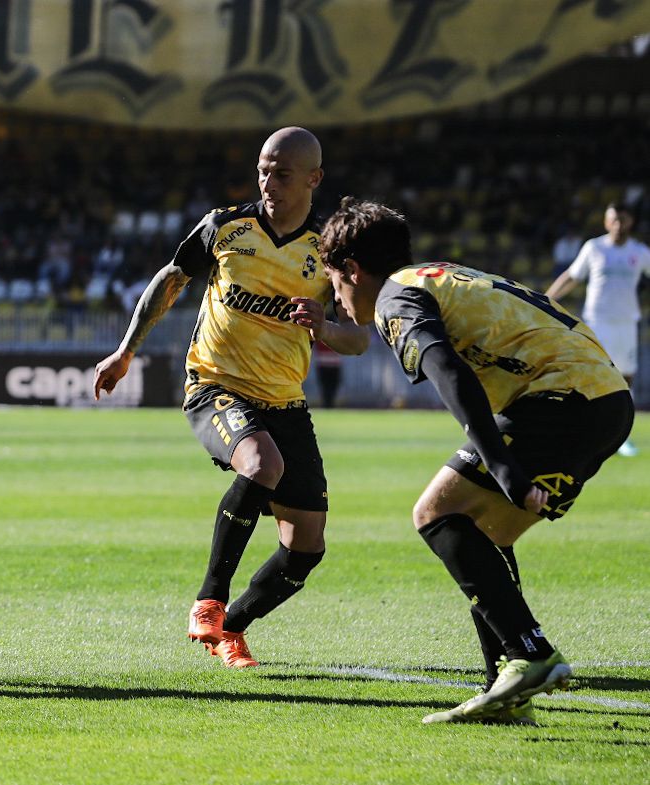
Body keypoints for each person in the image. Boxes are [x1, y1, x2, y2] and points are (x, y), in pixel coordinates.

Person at [317, 197, 633, 725]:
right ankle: (506, 689)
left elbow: (448, 371)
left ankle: (530, 652)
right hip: (606, 401)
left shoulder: (396, 296)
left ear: (351, 269)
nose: (338, 301)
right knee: (486, 536)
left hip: (561, 399)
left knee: (434, 512)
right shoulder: (439, 276)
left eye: (334, 284)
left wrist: (504, 467)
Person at [93, 128, 369, 668]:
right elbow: (170, 280)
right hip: (213, 386)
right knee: (263, 463)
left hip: (284, 401)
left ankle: (230, 628)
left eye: (282, 173)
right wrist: (126, 351)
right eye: (263, 169)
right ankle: (209, 599)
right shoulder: (225, 226)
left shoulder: (329, 249)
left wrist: (328, 330)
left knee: (306, 548)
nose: (268, 181)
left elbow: (360, 335)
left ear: (313, 178)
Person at [545, 203, 650, 456]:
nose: (617, 224)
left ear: (630, 222)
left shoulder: (640, 252)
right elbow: (572, 276)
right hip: (597, 322)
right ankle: (580, 429)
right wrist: (546, 298)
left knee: (625, 380)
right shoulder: (594, 248)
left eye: (622, 220)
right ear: (606, 222)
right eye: (613, 220)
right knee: (589, 374)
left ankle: (621, 436)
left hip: (625, 322)